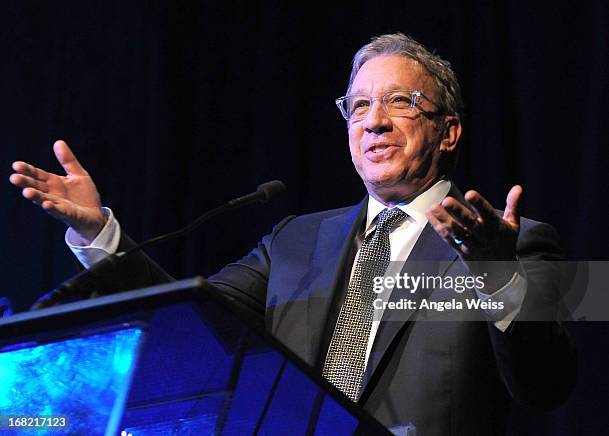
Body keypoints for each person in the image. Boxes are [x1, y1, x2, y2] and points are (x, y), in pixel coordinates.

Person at [9, 33, 575, 435]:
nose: (373, 121)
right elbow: (194, 325)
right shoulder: (293, 242)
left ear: (448, 131)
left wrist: (498, 278)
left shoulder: (521, 242)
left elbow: (547, 387)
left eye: (400, 102)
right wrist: (102, 234)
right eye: (358, 106)